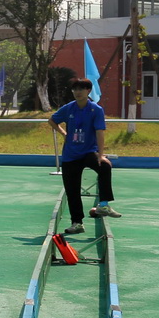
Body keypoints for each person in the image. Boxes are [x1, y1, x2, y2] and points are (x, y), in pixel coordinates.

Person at [50, 78, 121, 234]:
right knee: (72, 190)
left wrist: (100, 155)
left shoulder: (96, 110)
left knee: (105, 166)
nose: (77, 92)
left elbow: (100, 132)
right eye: (75, 89)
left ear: (88, 91)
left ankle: (103, 205)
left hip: (89, 151)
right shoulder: (68, 108)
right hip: (70, 155)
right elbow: (52, 120)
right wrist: (64, 133)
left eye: (81, 89)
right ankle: (77, 223)